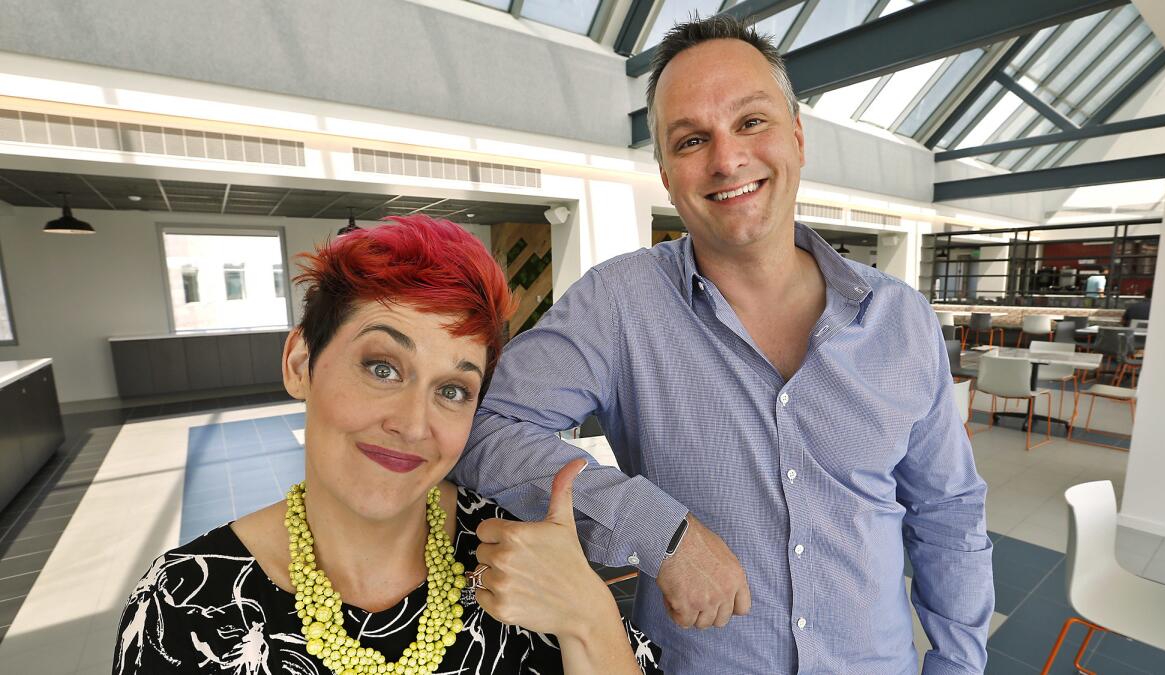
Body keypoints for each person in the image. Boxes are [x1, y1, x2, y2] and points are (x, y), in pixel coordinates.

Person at [453, 16, 993, 674]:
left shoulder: (900, 319)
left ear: (797, 137)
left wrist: (959, 665)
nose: (727, 158)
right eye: (691, 139)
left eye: (752, 122)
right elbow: (480, 428)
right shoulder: (619, 304)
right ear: (666, 174)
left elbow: (949, 512)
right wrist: (658, 527)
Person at [113, 216, 662, 674]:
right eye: (382, 367)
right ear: (301, 363)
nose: (413, 424)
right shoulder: (183, 605)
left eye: (452, 389)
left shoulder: (524, 559)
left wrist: (590, 618)